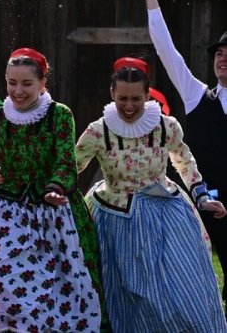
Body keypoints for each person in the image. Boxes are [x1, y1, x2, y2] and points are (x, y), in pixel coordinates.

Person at [0, 48, 105, 332]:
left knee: (57, 294)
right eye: (11, 82)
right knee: (2, 287)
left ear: (42, 83)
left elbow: (66, 162)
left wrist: (55, 188)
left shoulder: (59, 115)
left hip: (53, 215)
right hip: (5, 214)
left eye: (27, 83)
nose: (18, 91)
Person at [73, 57, 227, 332]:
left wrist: (202, 196)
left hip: (166, 211)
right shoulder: (98, 131)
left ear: (147, 95)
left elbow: (184, 161)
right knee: (130, 291)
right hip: (115, 215)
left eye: (136, 99)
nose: (129, 106)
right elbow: (70, 166)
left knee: (183, 283)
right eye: (122, 99)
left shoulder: (166, 126)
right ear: (112, 93)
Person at [131, 0, 227, 310]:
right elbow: (166, 50)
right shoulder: (196, 94)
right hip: (201, 202)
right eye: (219, 53)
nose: (223, 58)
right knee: (187, 278)